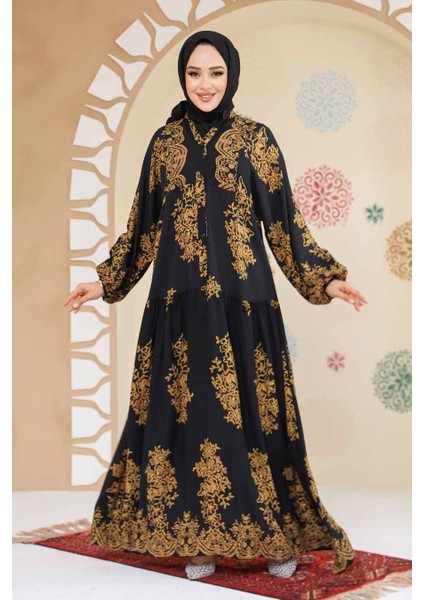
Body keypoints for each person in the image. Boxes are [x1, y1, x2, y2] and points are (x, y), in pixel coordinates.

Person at [63, 30, 367, 581]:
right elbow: (143, 228)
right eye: (194, 73)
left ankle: (273, 538)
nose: (205, 84)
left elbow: (284, 224)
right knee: (192, 419)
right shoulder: (164, 144)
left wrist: (326, 280)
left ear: (232, 75)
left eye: (216, 73)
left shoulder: (256, 140)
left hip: (243, 308)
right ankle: (197, 539)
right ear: (183, 76)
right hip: (178, 310)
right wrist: (104, 282)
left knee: (254, 421)